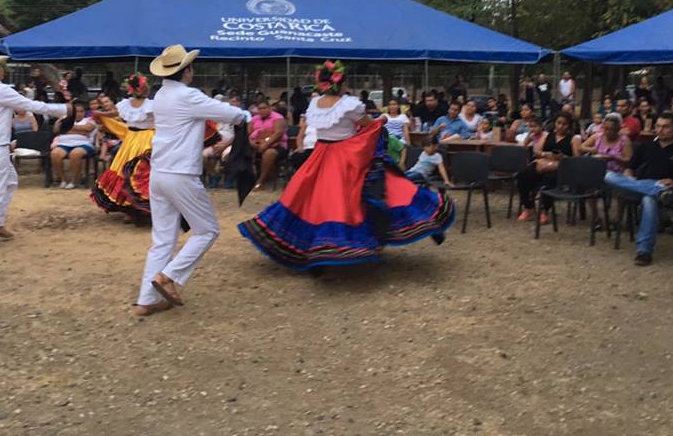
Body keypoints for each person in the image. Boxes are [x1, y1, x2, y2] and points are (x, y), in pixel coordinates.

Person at [238, 59, 455, 272]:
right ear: (340, 83)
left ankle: (317, 252)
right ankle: (427, 222)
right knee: (389, 187)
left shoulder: (315, 103)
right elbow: (369, 126)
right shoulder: (349, 104)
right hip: (346, 156)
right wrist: (382, 121)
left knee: (312, 200)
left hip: (320, 155)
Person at [136, 45, 250, 318]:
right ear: (186, 70)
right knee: (208, 230)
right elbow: (232, 115)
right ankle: (167, 276)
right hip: (180, 173)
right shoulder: (188, 95)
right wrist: (246, 116)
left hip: (160, 172)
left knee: (162, 239)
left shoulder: (161, 94)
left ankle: (145, 301)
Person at [0, 51, 72, 253]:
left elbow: (17, 108)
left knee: (9, 182)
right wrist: (64, 109)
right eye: (0, 66)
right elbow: (32, 105)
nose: (3, 69)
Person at [604, 112, 673, 266]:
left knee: (649, 200)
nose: (661, 130)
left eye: (666, 127)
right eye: (658, 126)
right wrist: (630, 178)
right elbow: (629, 168)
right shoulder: (645, 147)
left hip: (672, 191)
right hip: (641, 187)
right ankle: (657, 189)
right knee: (608, 175)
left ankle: (644, 251)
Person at [90, 73, 157, 220]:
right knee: (129, 172)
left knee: (142, 172)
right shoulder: (126, 104)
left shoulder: (152, 105)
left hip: (147, 140)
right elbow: (114, 112)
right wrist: (101, 113)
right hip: (132, 140)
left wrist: (102, 113)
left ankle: (144, 209)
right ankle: (130, 208)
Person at [515, 113, 576, 223]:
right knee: (523, 175)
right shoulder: (548, 136)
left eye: (564, 124)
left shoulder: (573, 139)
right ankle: (529, 207)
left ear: (569, 125)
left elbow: (577, 159)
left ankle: (544, 211)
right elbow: (537, 151)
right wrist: (546, 155)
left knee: (550, 179)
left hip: (561, 168)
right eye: (559, 123)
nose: (561, 126)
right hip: (544, 162)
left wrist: (564, 157)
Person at [50, 101, 96, 189]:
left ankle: (74, 181)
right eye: (76, 111)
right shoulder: (63, 119)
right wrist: (80, 130)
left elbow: (87, 129)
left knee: (75, 154)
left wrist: (66, 128)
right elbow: (56, 130)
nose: (79, 113)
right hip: (64, 143)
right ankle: (63, 179)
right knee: (55, 154)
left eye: (81, 111)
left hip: (83, 144)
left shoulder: (90, 120)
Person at [249, 99, 287, 191]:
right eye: (260, 109)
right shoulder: (254, 119)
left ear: (269, 108)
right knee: (241, 151)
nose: (262, 110)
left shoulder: (278, 118)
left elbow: (278, 133)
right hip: (256, 144)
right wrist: (251, 142)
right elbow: (247, 133)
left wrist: (265, 144)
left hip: (277, 145)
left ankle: (260, 181)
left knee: (269, 153)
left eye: (264, 108)